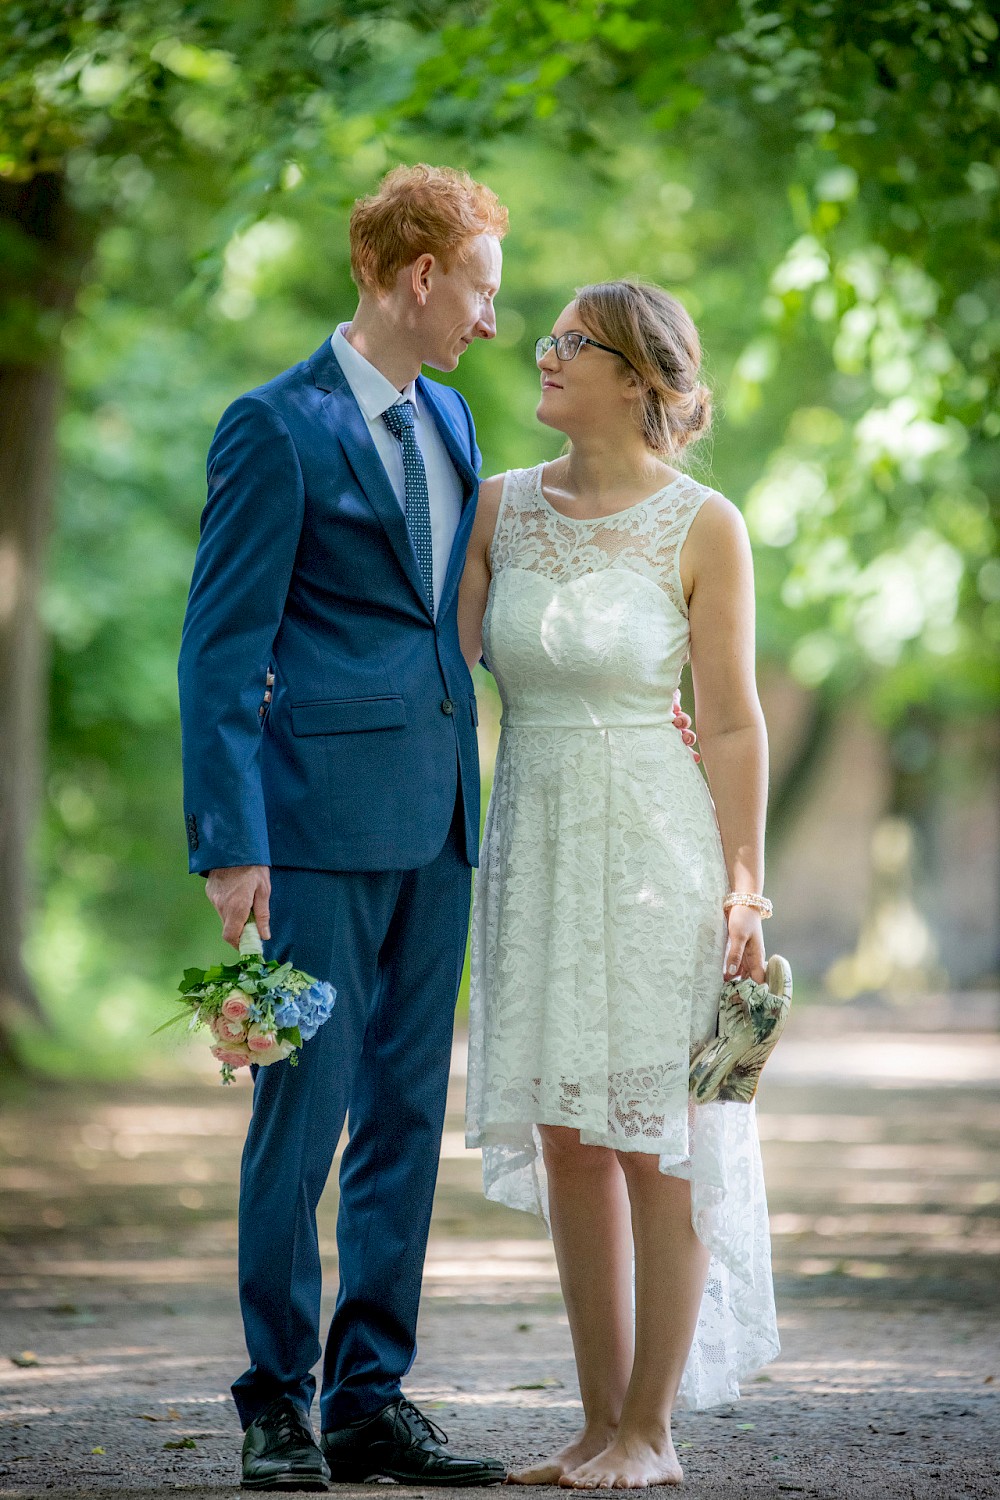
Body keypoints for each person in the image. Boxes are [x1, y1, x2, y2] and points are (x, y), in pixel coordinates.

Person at [178, 164, 512, 1491]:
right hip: (309, 831)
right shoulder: (274, 427)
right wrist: (230, 841)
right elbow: (220, 653)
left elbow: (449, 625)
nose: (492, 318)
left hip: (438, 825)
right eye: (482, 288)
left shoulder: (457, 418)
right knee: (299, 1115)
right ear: (420, 277)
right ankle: (277, 1400)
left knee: (407, 1119)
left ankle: (373, 1398)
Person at [459, 280, 781, 1489]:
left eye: (567, 344)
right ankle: (593, 1425)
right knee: (567, 1137)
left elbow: (734, 722)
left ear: (641, 377)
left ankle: (650, 1431)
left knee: (659, 1134)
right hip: (534, 841)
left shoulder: (705, 523)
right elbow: (435, 666)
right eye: (544, 337)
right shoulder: (499, 508)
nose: (540, 354)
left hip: (659, 845)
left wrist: (744, 887)